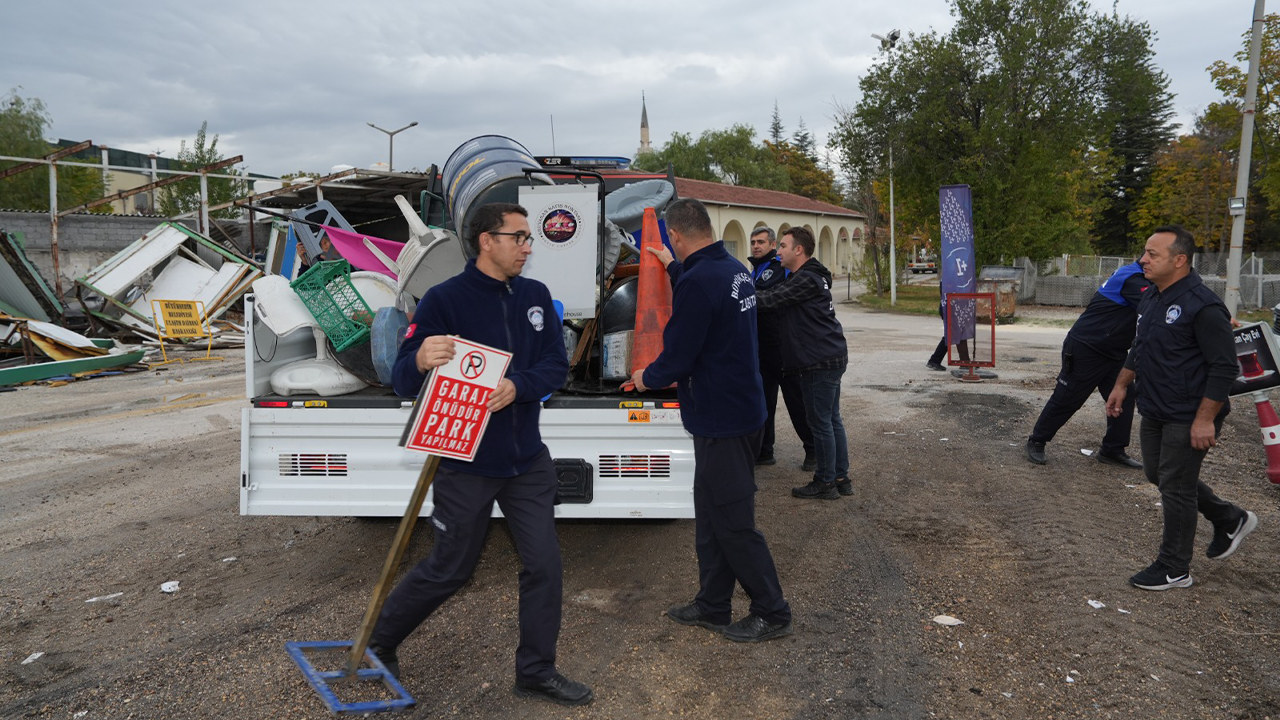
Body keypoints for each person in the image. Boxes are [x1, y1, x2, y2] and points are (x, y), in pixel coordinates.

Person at [371, 203, 592, 706]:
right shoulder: (445, 301)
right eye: (519, 237)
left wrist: (518, 386)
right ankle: (380, 643)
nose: (528, 247)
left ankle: (536, 671)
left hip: (528, 461)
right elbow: (403, 372)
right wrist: (420, 359)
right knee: (451, 568)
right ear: (486, 241)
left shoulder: (536, 296)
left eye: (529, 238)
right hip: (466, 462)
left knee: (544, 566)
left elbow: (556, 365)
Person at [628, 198, 793, 643]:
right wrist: (670, 267)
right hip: (738, 409)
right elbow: (707, 295)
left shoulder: (702, 281)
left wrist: (647, 377)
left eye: (670, 243)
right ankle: (713, 604)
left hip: (723, 419)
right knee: (711, 515)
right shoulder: (734, 268)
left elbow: (679, 355)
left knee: (734, 521)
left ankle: (772, 611)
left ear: (677, 236)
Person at [1105, 225, 1257, 591]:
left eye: (1152, 255)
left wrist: (1205, 419)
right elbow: (1140, 346)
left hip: (1190, 413)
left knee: (1175, 486)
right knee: (1158, 474)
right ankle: (1230, 517)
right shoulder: (1152, 296)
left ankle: (1175, 568)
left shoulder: (1203, 306)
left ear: (1179, 260)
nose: (1143, 259)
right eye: (1145, 252)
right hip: (1156, 406)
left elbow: (1225, 367)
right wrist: (1122, 384)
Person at [756, 227, 852, 500]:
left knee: (821, 423)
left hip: (818, 360)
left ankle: (825, 481)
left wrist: (737, 298)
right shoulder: (806, 277)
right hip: (828, 356)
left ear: (799, 250)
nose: (779, 251)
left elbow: (770, 299)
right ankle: (840, 477)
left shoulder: (806, 279)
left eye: (783, 246)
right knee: (832, 420)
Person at [1025, 261, 1150, 467]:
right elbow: (1154, 305)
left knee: (1125, 396)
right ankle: (1037, 440)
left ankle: (1112, 450)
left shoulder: (1145, 278)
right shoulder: (1132, 278)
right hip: (1087, 346)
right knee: (1069, 396)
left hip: (1114, 350)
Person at [748, 226, 815, 470]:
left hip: (784, 348)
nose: (756, 246)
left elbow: (769, 298)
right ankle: (765, 451)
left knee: (796, 402)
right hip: (762, 350)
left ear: (773, 245)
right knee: (763, 403)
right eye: (753, 242)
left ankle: (813, 450)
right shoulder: (753, 271)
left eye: (761, 242)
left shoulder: (779, 269)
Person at [926, 283, 970, 371]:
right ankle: (934, 360)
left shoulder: (951, 276)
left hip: (952, 306)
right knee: (951, 335)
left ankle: (965, 361)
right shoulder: (949, 277)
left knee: (958, 334)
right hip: (950, 307)